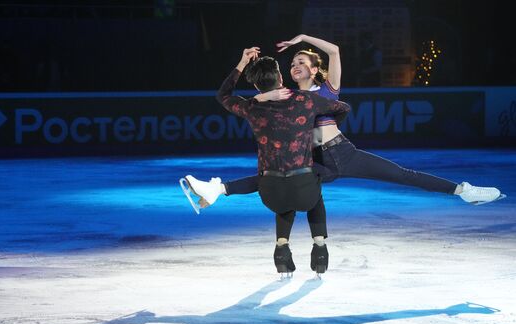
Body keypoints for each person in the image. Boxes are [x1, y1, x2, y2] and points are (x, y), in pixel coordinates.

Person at [183, 34, 504, 212]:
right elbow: (251, 102)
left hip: (343, 152)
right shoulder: (289, 97)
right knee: (274, 176)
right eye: (292, 63)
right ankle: (217, 190)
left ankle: (463, 190)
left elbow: (336, 66)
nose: (295, 66)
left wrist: (304, 38)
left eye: (301, 62)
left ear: (313, 69)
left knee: (403, 175)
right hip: (314, 160)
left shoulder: (325, 90)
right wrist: (261, 97)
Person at [185, 46, 351, 277]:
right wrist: (319, 132)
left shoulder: (252, 107)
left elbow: (222, 96)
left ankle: (281, 249)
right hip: (304, 191)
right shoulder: (306, 99)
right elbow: (343, 108)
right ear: (281, 77)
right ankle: (320, 249)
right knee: (311, 177)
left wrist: (243, 65)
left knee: (281, 182)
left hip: (271, 194)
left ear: (255, 86)